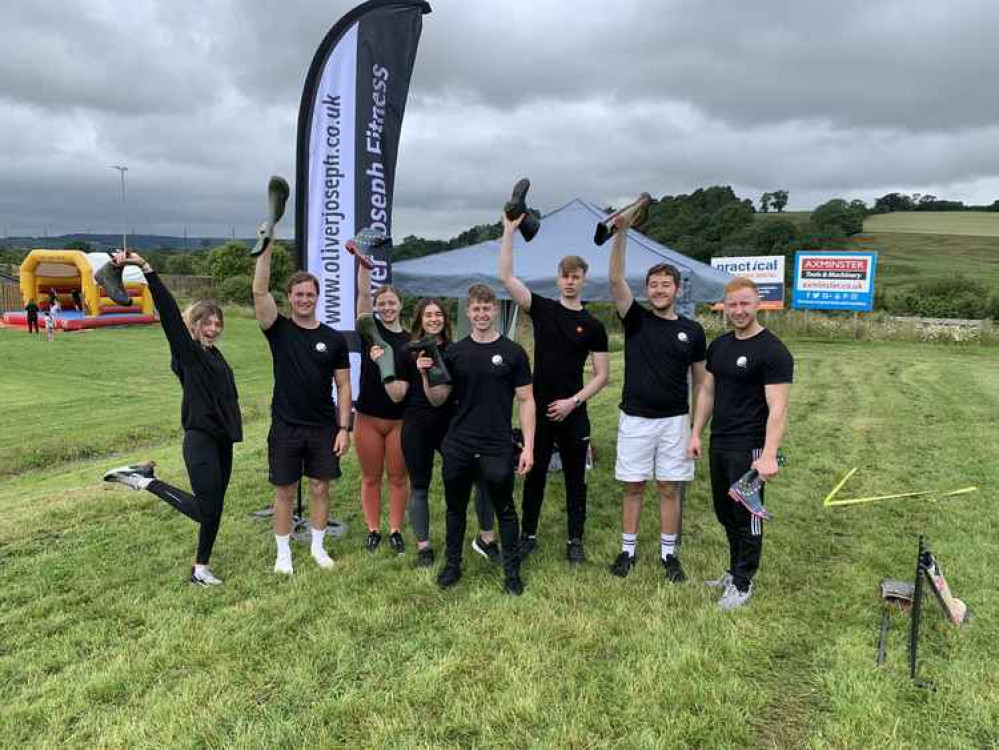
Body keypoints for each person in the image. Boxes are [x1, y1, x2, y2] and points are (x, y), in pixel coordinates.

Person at [102, 251, 241, 586]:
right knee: (204, 510)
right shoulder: (190, 354)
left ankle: (200, 569)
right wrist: (146, 269)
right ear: (193, 327)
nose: (213, 328)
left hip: (222, 441)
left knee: (215, 509)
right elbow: (169, 315)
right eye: (206, 322)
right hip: (201, 440)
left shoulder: (213, 354)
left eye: (217, 323)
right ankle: (143, 481)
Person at [498, 212, 609, 564]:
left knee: (577, 480)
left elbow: (602, 375)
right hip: (541, 410)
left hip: (574, 412)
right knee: (535, 476)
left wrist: (573, 402)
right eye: (565, 276)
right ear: (558, 280)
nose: (570, 282)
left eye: (576, 277)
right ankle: (528, 535)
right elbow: (506, 278)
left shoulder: (593, 325)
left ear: (584, 280)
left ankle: (575, 540)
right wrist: (508, 231)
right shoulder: (543, 309)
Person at [607, 212, 706, 582]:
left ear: (677, 290)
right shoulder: (635, 320)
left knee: (668, 487)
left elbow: (702, 384)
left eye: (666, 284)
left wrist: (696, 429)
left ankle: (668, 555)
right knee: (633, 486)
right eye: (654, 285)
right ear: (647, 290)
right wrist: (622, 233)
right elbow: (616, 279)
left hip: (674, 422)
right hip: (634, 418)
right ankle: (627, 551)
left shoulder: (693, 331)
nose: (660, 290)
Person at [420, 283, 535, 595]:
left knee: (505, 509)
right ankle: (452, 566)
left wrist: (529, 446)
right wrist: (425, 374)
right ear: (468, 312)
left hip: (496, 443)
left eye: (487, 308)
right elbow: (437, 399)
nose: (482, 314)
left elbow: (526, 400)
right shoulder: (455, 352)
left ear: (495, 311)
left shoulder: (513, 352)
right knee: (455, 508)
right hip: (458, 443)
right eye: (476, 309)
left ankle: (512, 573)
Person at [689, 277, 793, 610]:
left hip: (750, 449)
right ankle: (733, 572)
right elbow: (707, 390)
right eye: (732, 304)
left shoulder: (773, 350)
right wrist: (695, 433)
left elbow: (778, 408)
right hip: (720, 442)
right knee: (724, 512)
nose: (738, 311)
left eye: (744, 303)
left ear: (758, 303)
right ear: (725, 306)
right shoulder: (719, 346)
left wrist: (770, 455)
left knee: (747, 516)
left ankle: (744, 583)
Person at [253, 239, 352, 575]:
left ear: (317, 297)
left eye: (310, 294)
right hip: (285, 426)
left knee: (320, 487)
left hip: (324, 426)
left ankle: (318, 547)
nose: (305, 299)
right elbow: (259, 291)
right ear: (290, 298)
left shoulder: (334, 339)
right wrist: (265, 248)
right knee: (284, 490)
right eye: (299, 294)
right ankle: (283, 555)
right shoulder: (277, 329)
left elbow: (344, 385)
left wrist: (344, 428)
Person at [383, 298, 498, 568]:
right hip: (417, 425)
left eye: (438, 315)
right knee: (420, 485)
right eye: (428, 315)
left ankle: (485, 537)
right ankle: (424, 546)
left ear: (445, 319)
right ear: (420, 320)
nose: (434, 319)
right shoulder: (406, 352)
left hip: (453, 424)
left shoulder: (456, 350)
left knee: (479, 478)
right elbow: (397, 394)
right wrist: (383, 365)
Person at [354, 258, 411, 555]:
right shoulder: (370, 330)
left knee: (399, 477)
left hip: (400, 421)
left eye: (392, 303)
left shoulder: (410, 339)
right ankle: (373, 529)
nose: (387, 308)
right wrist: (364, 264)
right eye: (382, 304)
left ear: (401, 305)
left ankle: (396, 530)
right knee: (371, 477)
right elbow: (363, 296)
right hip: (367, 418)